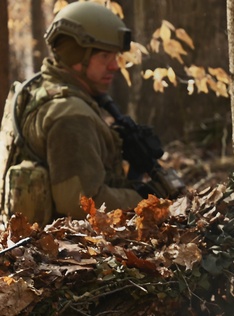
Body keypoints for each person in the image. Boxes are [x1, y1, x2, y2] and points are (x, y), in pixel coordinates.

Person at [0, 1, 144, 223]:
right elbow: (81, 205)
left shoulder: (36, 90)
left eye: (115, 57)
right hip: (61, 251)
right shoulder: (69, 114)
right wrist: (145, 199)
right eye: (105, 56)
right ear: (76, 56)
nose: (115, 66)